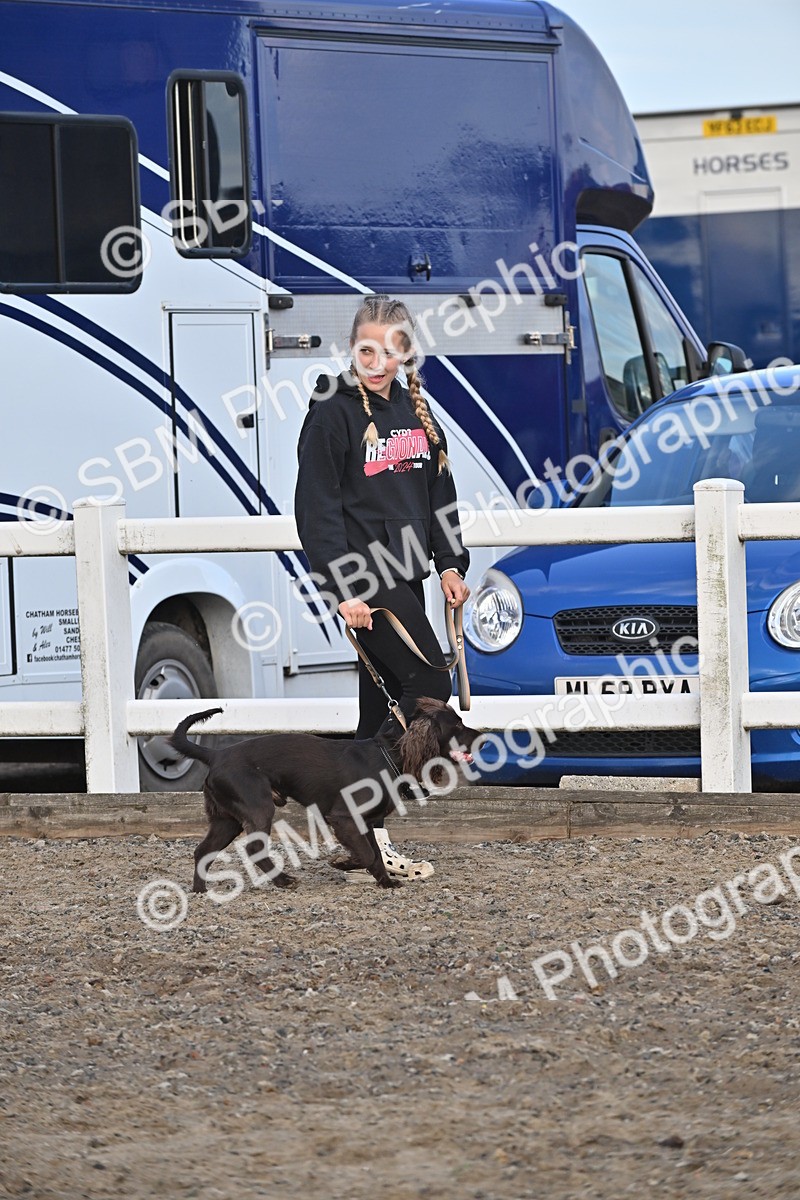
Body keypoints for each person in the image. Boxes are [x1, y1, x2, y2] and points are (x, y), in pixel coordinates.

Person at [294, 295, 470, 880]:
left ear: (406, 352)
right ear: (353, 348)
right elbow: (316, 510)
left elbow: (438, 498)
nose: (377, 360)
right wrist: (343, 589)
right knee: (427, 682)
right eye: (366, 349)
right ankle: (375, 822)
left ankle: (364, 834)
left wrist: (449, 563)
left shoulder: (419, 414)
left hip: (409, 579)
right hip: (366, 586)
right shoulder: (332, 412)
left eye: (390, 349)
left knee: (379, 710)